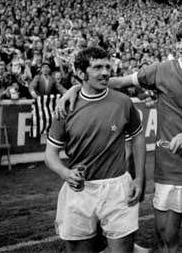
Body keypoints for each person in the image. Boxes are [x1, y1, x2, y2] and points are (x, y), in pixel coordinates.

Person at [57, 17, 182, 253]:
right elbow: (116, 81)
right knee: (167, 245)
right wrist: (77, 87)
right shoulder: (160, 70)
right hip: (168, 173)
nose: (181, 46)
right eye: (179, 40)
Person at [44, 46, 146, 253]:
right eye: (97, 67)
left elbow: (138, 137)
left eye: (108, 66)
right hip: (79, 191)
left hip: (118, 189)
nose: (106, 72)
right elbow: (50, 154)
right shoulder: (65, 108)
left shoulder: (123, 102)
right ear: (81, 74)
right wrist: (65, 173)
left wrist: (139, 179)